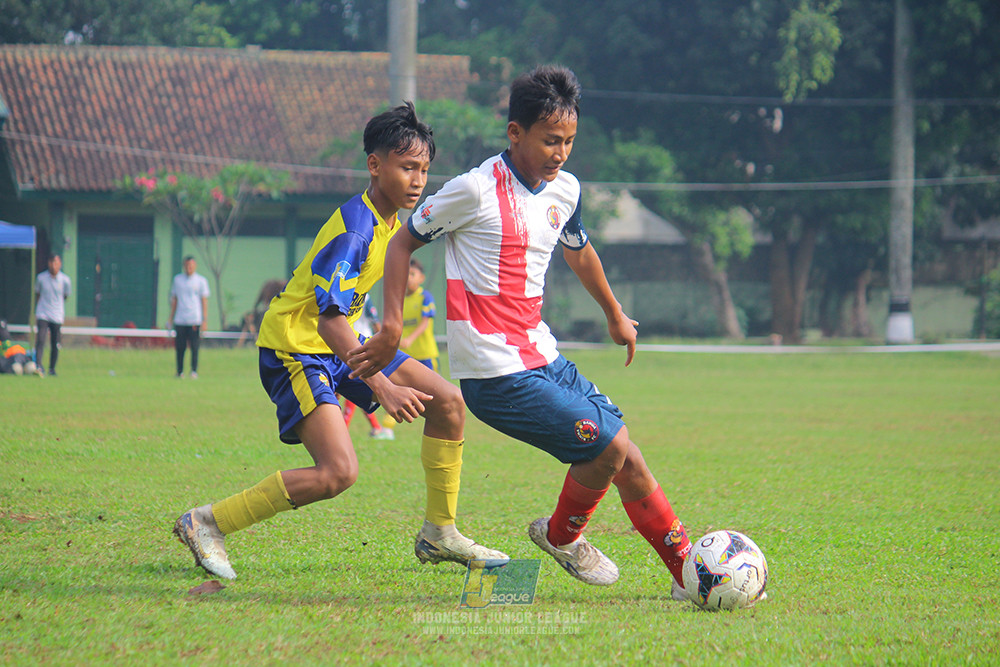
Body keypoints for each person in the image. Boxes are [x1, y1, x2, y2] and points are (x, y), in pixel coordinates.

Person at [350, 66, 695, 598]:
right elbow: (403, 244)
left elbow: (578, 251)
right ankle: (561, 537)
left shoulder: (567, 190)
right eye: (550, 140)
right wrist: (392, 324)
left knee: (628, 457)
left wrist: (614, 313)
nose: (561, 153)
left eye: (570, 141)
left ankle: (691, 575)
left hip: (544, 357)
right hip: (495, 374)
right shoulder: (474, 189)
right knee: (609, 447)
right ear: (516, 134)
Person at [172, 103, 507, 580]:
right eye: (407, 167)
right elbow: (328, 316)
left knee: (448, 403)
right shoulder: (357, 229)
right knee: (337, 473)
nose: (418, 180)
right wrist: (384, 389)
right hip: (297, 346)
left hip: (340, 342)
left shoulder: (392, 222)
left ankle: (440, 532)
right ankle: (207, 522)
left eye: (424, 170)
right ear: (375, 165)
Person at [341, 294, 394, 440]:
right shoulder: (358, 291)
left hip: (358, 345)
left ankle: (342, 431)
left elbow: (375, 321)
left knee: (353, 384)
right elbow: (375, 321)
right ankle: (376, 428)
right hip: (351, 343)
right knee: (357, 387)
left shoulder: (360, 293)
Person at [168, 256, 210, 378]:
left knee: (194, 347)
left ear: (195, 266)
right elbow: (174, 300)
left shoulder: (201, 281)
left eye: (191, 266)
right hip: (180, 318)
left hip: (194, 319)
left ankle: (194, 371)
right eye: (187, 266)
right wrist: (171, 318)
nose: (189, 268)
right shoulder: (177, 280)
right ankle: (179, 371)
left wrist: (204, 320)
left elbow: (204, 301)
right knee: (180, 347)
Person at [35, 254, 71, 377]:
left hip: (56, 314)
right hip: (43, 313)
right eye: (51, 262)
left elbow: (65, 296)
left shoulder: (65, 280)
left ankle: (52, 368)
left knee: (55, 343)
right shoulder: (41, 278)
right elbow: (38, 294)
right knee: (40, 339)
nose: (53, 265)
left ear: (60, 263)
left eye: (55, 262)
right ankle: (38, 366)